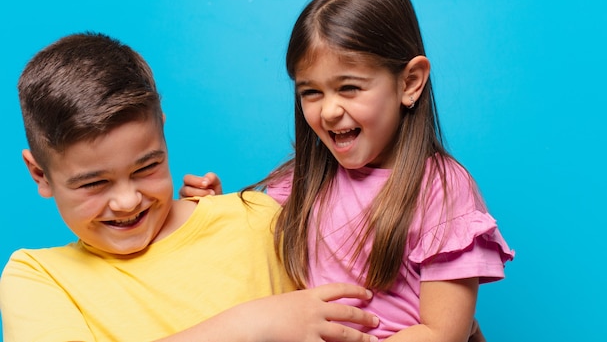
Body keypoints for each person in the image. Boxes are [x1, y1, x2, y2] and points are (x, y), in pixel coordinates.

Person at [181, 0, 514, 342]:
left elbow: (442, 332)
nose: (329, 111)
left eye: (349, 88)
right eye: (311, 92)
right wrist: (213, 213)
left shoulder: (442, 191)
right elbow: (251, 256)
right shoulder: (301, 182)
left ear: (410, 83)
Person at [0, 32, 380, 342]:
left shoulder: (257, 220)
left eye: (147, 167)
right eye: (95, 183)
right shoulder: (37, 276)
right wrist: (251, 325)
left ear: (162, 133)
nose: (127, 200)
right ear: (40, 175)